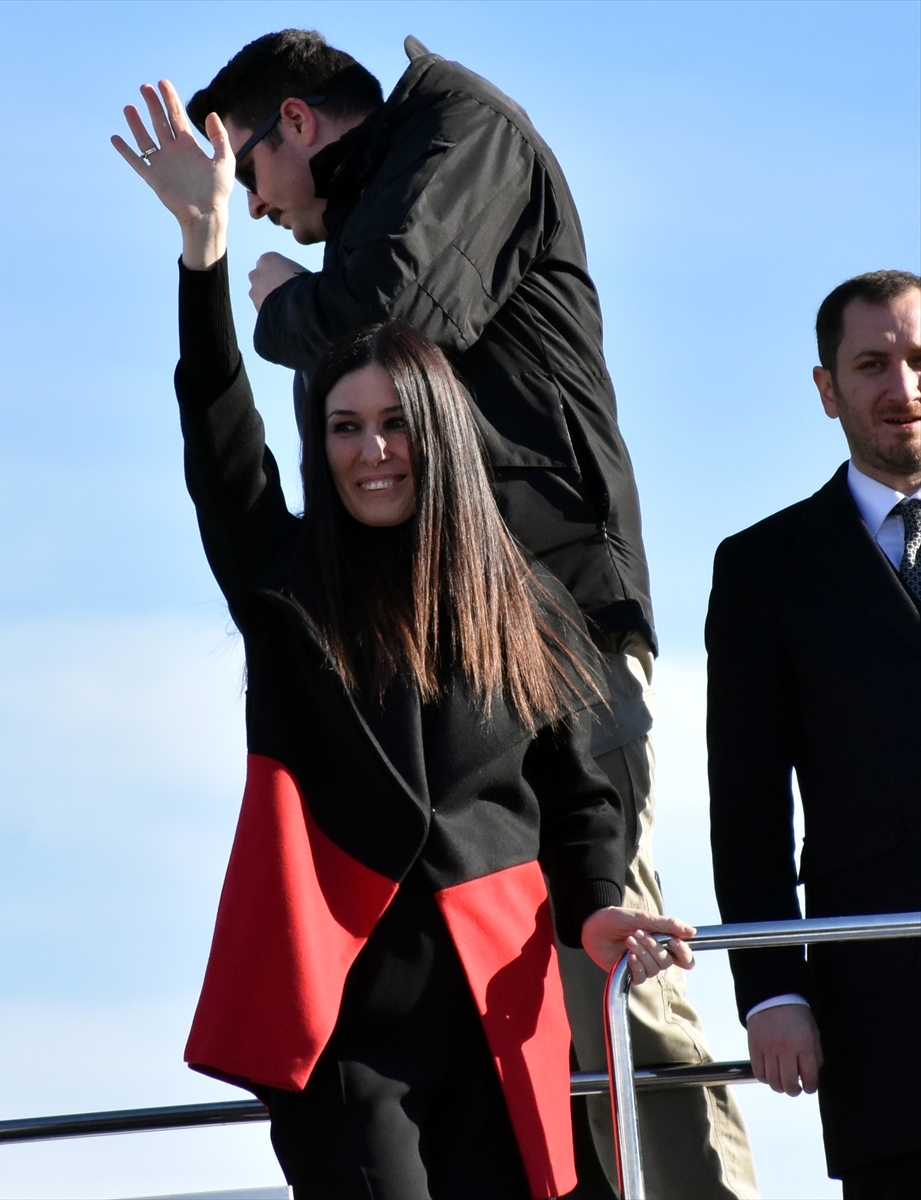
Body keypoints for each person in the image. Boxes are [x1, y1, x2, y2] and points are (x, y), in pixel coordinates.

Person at [177, 30, 758, 1198]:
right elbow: (233, 461)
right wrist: (206, 265)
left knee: (611, 961)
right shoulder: (301, 576)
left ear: (295, 124)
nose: (258, 208)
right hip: (433, 655)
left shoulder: (459, 128)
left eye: (246, 174)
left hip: (552, 626)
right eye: (343, 429)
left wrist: (292, 305)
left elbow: (393, 319)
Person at [706, 270, 921, 1199]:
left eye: (918, 360)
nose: (902, 388)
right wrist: (773, 989)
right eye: (871, 364)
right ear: (826, 389)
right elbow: (746, 803)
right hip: (882, 1020)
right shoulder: (762, 568)